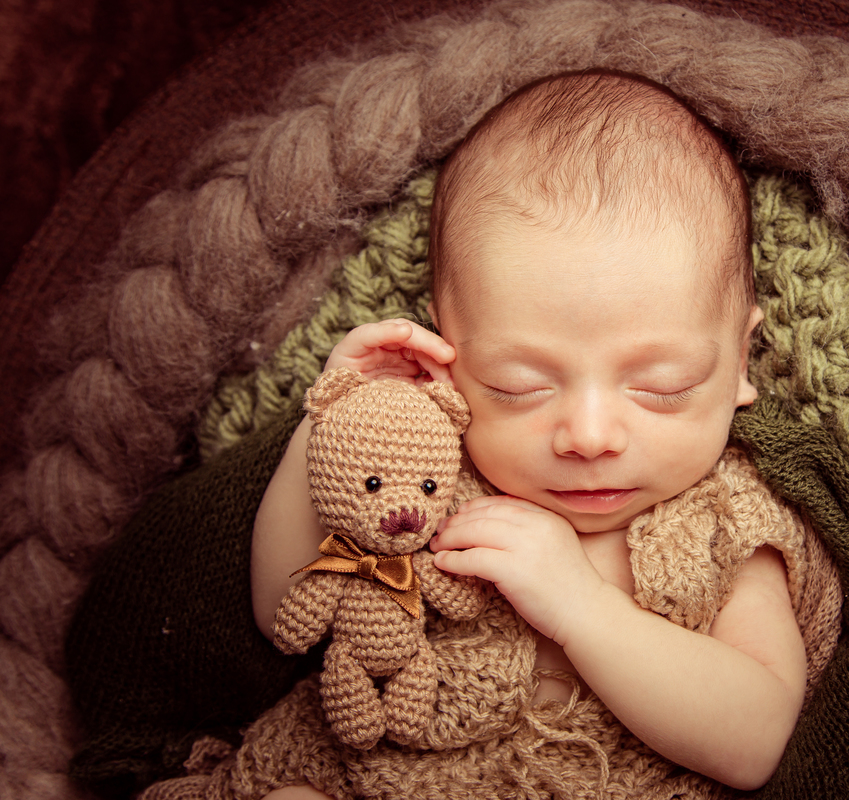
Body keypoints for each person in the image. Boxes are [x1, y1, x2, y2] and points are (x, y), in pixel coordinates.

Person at [232, 69, 817, 799]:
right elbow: (283, 609)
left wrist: (583, 607)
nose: (590, 435)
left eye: (662, 387)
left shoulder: (727, 530)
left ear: (739, 361)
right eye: (518, 388)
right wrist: (336, 425)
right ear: (446, 355)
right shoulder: (430, 481)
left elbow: (756, 739)